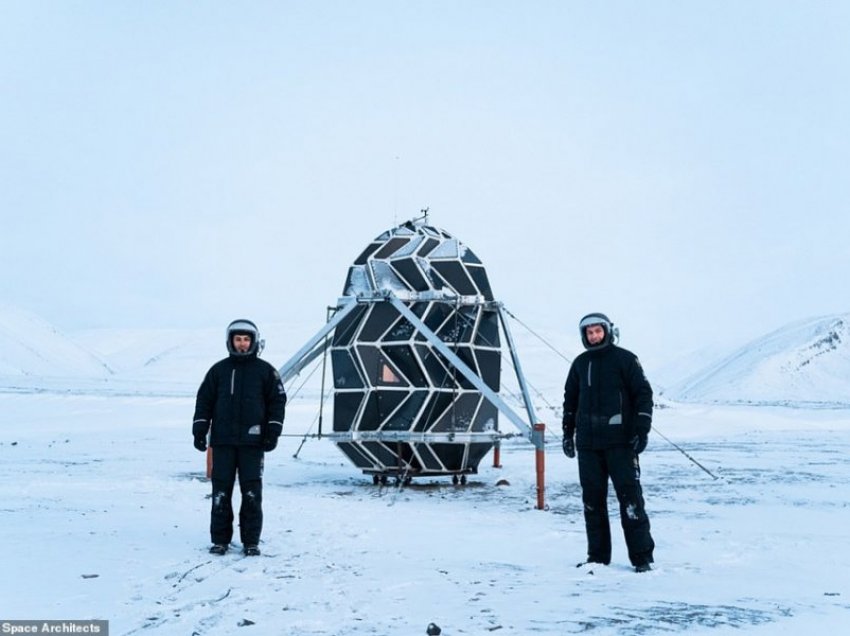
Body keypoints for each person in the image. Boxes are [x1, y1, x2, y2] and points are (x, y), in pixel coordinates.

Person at [561, 312, 655, 572]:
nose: (594, 336)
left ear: (607, 331)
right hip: (589, 445)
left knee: (631, 500)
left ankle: (642, 558)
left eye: (597, 331)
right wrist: (568, 434)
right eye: (589, 333)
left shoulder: (626, 360)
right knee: (592, 501)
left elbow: (643, 396)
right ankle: (598, 557)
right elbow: (570, 401)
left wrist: (641, 430)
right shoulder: (580, 364)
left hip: (620, 444)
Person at [193, 319, 287, 556]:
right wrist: (199, 430)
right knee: (221, 492)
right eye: (238, 339)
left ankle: (251, 541)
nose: (242, 344)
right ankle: (220, 540)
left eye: (246, 339)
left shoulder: (266, 371)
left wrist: (272, 431)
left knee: (252, 493)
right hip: (223, 442)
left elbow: (277, 402)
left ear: (253, 342)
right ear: (230, 341)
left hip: (253, 443)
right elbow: (204, 401)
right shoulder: (218, 371)